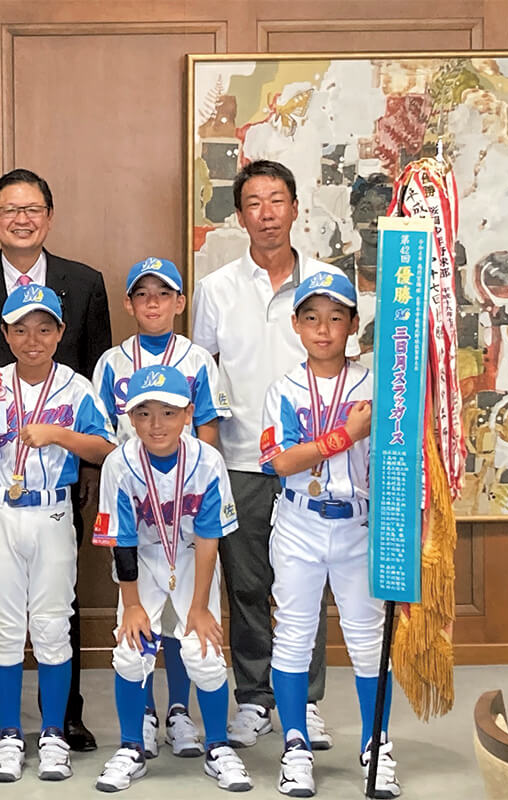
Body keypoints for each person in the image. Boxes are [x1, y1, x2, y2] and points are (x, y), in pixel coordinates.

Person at [0, 168, 111, 754]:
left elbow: (96, 377)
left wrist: (88, 470)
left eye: (33, 208)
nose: (22, 218)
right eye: (10, 209)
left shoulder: (83, 283)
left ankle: (65, 719)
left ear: (49, 216)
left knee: (61, 607)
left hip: (59, 485)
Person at [191, 160, 351, 750]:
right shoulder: (216, 288)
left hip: (314, 462)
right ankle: (255, 698)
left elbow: (345, 366)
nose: (266, 214)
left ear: (295, 209)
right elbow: (203, 374)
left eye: (276, 200)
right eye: (254, 203)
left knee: (306, 586)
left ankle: (304, 701)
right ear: (240, 216)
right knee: (248, 586)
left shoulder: (328, 280)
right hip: (240, 461)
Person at [0, 284, 115, 783]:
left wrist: (59, 435)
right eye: (21, 329)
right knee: (3, 626)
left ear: (61, 332)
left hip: (52, 511)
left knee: (51, 624)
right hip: (0, 509)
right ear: (5, 334)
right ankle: (8, 735)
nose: (33, 339)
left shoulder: (75, 386)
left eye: (45, 328)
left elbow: (106, 450)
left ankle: (52, 733)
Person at [258, 271, 397, 798]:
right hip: (300, 521)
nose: (323, 329)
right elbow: (280, 462)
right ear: (296, 325)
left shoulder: (374, 385)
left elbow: (394, 457)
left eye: (336, 317)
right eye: (312, 317)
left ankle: (376, 744)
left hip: (359, 523)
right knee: (294, 634)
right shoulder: (284, 389)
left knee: (367, 638)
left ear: (353, 324)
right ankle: (295, 744)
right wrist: (345, 434)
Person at [91, 256, 231, 760]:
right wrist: (136, 480)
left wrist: (189, 472)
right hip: (138, 499)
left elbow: (208, 426)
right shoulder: (112, 362)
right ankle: (142, 723)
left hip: (187, 522)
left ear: (180, 301)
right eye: (142, 294)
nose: (153, 303)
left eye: (163, 293)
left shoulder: (198, 360)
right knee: (136, 635)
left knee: (193, 635)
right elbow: (103, 434)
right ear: (129, 303)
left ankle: (182, 713)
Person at [93, 365, 251, 793]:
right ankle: (131, 746)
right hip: (142, 562)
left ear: (188, 415)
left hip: (192, 559)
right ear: (130, 417)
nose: (156, 424)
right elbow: (122, 541)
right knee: (130, 650)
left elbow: (209, 537)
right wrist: (132, 605)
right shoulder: (120, 463)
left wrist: (199, 607)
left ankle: (217, 746)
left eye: (168, 412)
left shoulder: (208, 460)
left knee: (204, 650)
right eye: (144, 413)